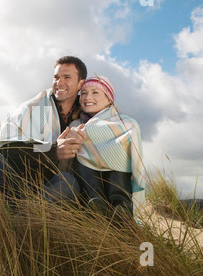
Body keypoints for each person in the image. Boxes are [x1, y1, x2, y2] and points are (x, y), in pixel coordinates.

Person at [0, 56, 88, 213]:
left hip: (49, 189)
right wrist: (52, 150)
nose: (59, 83)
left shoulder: (86, 114)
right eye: (56, 77)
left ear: (81, 83)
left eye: (67, 77)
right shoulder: (32, 108)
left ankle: (19, 219)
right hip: (16, 184)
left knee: (68, 183)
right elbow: (7, 149)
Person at [62, 75, 146, 222]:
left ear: (108, 99)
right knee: (81, 149)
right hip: (89, 177)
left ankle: (121, 209)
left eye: (95, 92)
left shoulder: (125, 123)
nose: (88, 97)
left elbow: (133, 143)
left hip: (116, 176)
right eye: (84, 93)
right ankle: (95, 203)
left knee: (118, 159)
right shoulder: (75, 124)